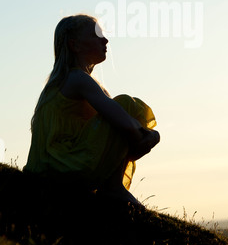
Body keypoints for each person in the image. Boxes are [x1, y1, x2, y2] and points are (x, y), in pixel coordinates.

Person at [23, 14, 160, 206]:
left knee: (124, 114)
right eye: (96, 35)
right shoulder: (76, 78)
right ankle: (113, 187)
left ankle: (112, 186)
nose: (105, 40)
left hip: (54, 167)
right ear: (75, 45)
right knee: (127, 105)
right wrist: (144, 134)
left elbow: (117, 135)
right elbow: (118, 117)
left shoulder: (71, 81)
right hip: (62, 166)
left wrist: (137, 137)